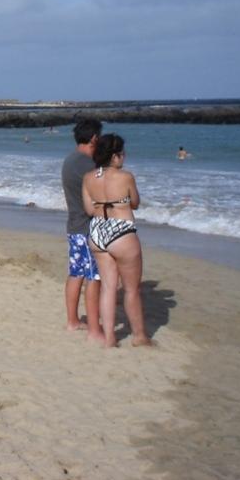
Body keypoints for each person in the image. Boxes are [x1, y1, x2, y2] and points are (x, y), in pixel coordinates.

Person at [82, 133, 152, 349]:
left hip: (97, 232)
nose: (124, 157)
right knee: (131, 289)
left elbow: (88, 209)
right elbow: (136, 203)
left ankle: (110, 338)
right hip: (121, 231)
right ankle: (139, 336)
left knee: (108, 288)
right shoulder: (125, 176)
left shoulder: (88, 177)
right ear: (114, 156)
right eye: (122, 154)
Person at [61, 119, 103, 342]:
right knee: (93, 277)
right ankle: (93, 328)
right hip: (85, 227)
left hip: (75, 225)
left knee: (76, 274)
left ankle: (73, 320)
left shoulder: (71, 160)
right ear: (94, 138)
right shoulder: (86, 164)